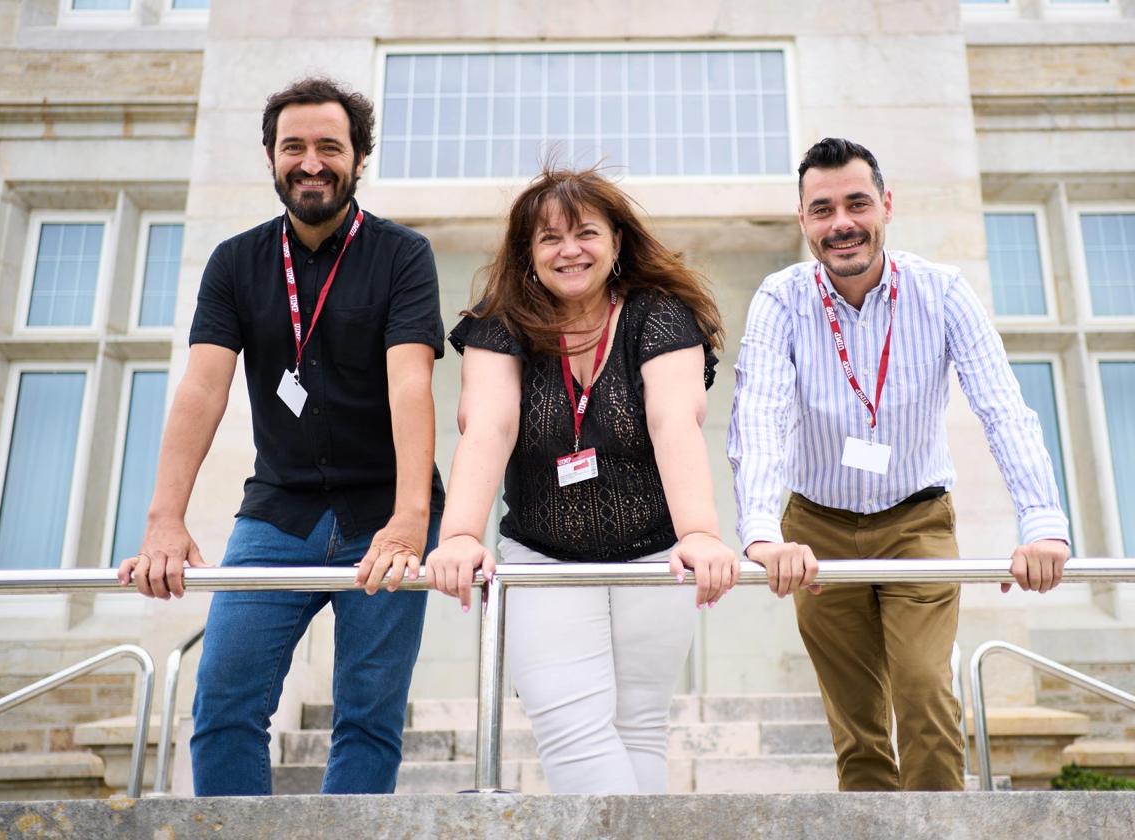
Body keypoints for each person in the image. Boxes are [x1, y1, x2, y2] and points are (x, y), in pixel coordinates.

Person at [116, 77, 445, 796]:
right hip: (278, 512)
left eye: (331, 146)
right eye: (293, 146)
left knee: (369, 717)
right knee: (225, 701)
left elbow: (410, 384)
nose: (311, 162)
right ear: (271, 157)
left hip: (385, 516)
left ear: (359, 160)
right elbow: (202, 388)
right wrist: (164, 519)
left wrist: (412, 520)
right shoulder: (236, 263)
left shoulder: (403, 256)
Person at [727, 137, 1070, 792]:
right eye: (822, 210)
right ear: (803, 221)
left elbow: (1004, 409)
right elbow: (760, 416)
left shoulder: (942, 292)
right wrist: (764, 533)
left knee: (923, 696)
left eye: (857, 203)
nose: (842, 224)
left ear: (886, 205)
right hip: (817, 530)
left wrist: (1044, 524)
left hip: (917, 523)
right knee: (857, 729)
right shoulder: (781, 299)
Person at [425, 166, 738, 794]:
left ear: (617, 242)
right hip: (543, 555)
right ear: (528, 254)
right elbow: (487, 425)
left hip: (654, 558)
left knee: (640, 728)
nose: (570, 250)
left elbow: (676, 422)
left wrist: (701, 531)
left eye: (586, 233)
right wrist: (458, 533)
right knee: (572, 729)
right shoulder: (501, 320)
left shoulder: (658, 315)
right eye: (549, 239)